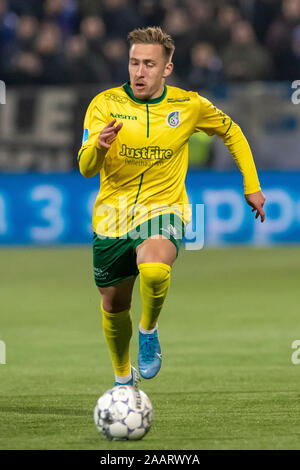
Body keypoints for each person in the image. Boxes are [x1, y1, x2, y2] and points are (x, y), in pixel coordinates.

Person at [78, 26, 266, 388]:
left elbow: (233, 131)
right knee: (114, 306)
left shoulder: (188, 105)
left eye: (149, 64)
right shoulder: (104, 104)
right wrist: (99, 147)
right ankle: (122, 379)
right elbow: (86, 168)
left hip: (164, 208)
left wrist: (252, 185)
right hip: (111, 217)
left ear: (167, 68)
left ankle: (149, 330)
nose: (139, 72)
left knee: (153, 267)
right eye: (134, 62)